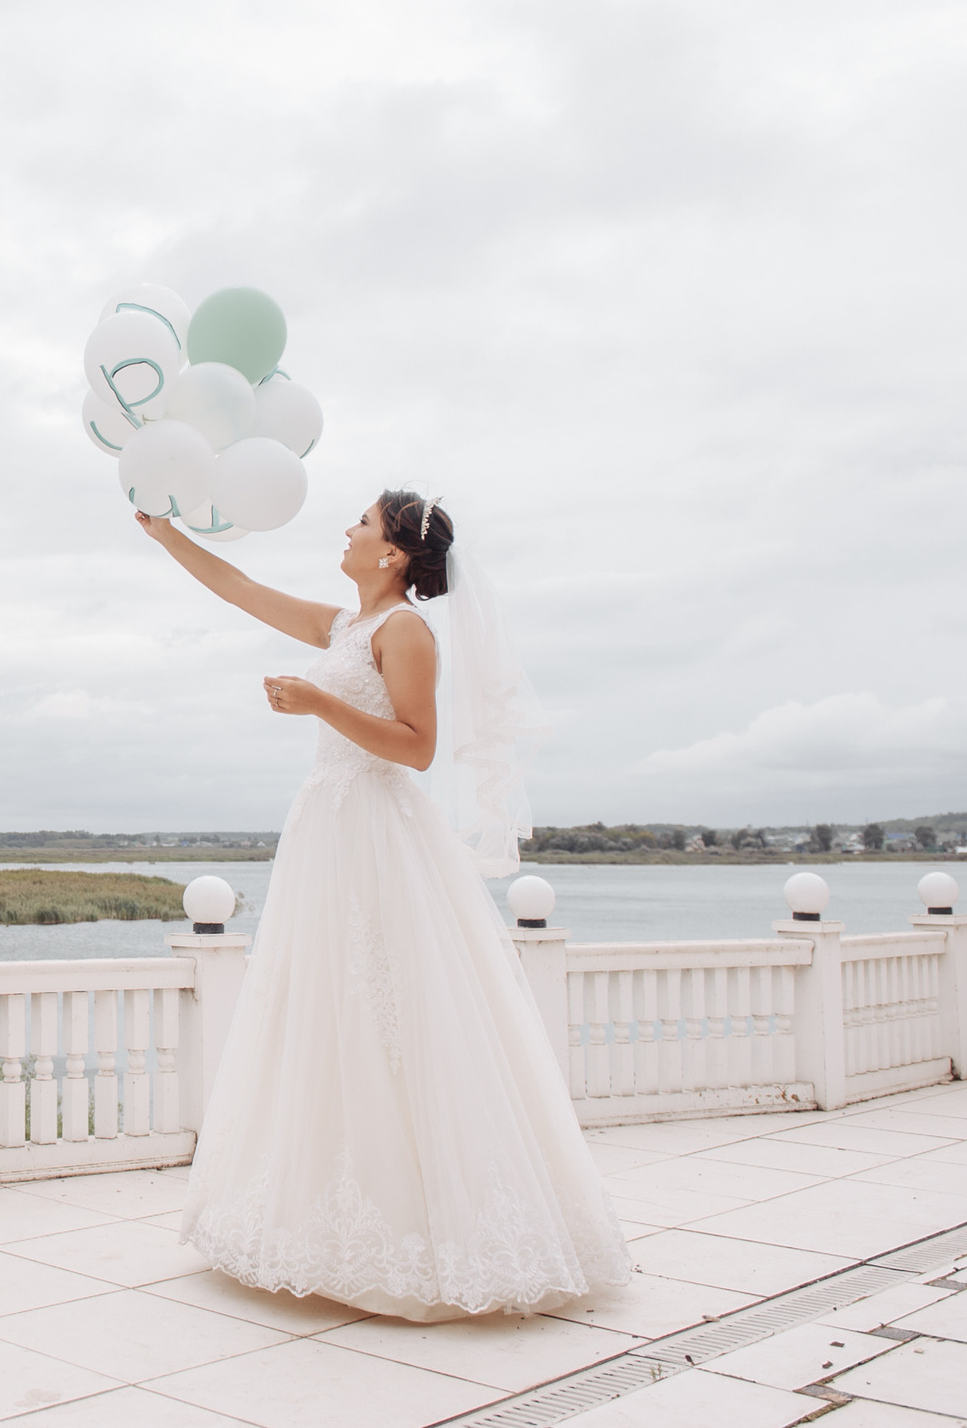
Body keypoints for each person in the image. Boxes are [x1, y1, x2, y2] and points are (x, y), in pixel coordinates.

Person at [143, 489, 631, 1319]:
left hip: (377, 828)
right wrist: (164, 531)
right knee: (327, 1014)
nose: (346, 528)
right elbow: (238, 587)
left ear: (394, 552)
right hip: (328, 832)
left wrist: (318, 701)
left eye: (361, 522)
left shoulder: (405, 631)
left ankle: (428, 1231)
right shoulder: (344, 625)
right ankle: (319, 1218)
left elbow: (418, 746)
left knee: (396, 1016)